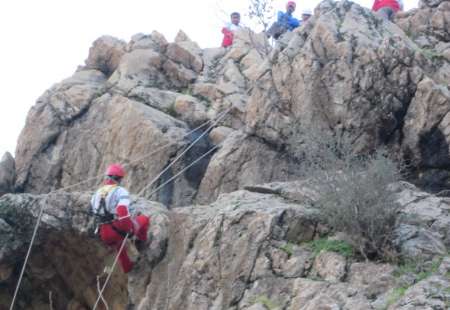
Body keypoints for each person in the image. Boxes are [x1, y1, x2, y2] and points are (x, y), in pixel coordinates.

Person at [90, 164, 150, 273]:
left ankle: (127, 266)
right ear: (119, 179)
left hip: (104, 233)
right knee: (144, 219)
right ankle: (141, 243)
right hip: (116, 229)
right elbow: (122, 210)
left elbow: (95, 213)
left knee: (118, 244)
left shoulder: (96, 194)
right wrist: (129, 230)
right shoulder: (120, 191)